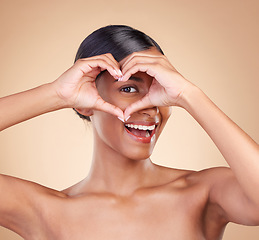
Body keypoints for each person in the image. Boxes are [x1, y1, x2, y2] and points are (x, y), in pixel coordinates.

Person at [0, 25, 258, 240]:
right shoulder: (44, 210)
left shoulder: (203, 193)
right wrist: (56, 94)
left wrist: (188, 94)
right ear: (85, 101)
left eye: (159, 89)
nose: (150, 106)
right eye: (129, 89)